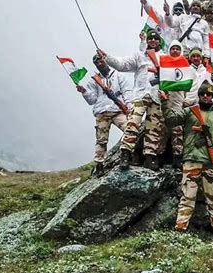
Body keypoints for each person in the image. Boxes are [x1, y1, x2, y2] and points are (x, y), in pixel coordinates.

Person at [161, 83, 213, 233]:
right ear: (198, 96)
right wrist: (164, 102)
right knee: (187, 196)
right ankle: (180, 227)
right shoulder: (189, 111)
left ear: (212, 96)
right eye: (202, 94)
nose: (205, 96)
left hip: (211, 162)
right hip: (191, 159)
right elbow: (171, 120)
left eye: (209, 94)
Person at [97, 29, 167, 171]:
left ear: (159, 41)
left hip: (156, 96)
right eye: (150, 38)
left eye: (156, 38)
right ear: (147, 41)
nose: (153, 40)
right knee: (132, 123)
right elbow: (122, 64)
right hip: (140, 96)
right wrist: (107, 57)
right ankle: (125, 154)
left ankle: (150, 156)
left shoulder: (165, 57)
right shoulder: (139, 56)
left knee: (153, 127)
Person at [76, 54, 132, 175]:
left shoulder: (118, 75)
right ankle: (99, 164)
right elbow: (92, 100)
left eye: (101, 61)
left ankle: (125, 154)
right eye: (97, 63)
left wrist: (129, 106)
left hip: (118, 110)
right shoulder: (94, 80)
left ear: (105, 61)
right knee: (101, 140)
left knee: (130, 130)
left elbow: (126, 92)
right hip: (102, 112)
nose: (100, 64)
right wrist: (84, 91)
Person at [167, 40, 186, 166]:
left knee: (177, 131)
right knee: (162, 130)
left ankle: (177, 157)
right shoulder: (164, 65)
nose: (175, 50)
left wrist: (187, 100)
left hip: (179, 101)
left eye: (177, 49)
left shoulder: (186, 67)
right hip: (164, 100)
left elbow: (192, 85)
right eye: (172, 48)